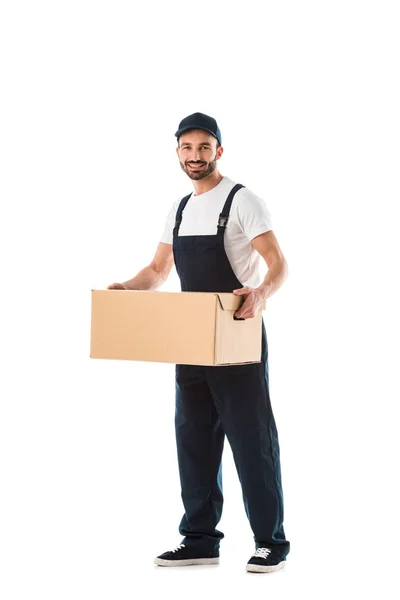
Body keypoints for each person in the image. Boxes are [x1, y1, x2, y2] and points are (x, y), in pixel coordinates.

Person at [107, 112, 290, 573]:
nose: (195, 156)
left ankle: (271, 542)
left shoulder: (243, 200)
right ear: (177, 153)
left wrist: (262, 294)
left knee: (252, 439)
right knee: (193, 438)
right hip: (189, 335)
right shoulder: (180, 208)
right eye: (187, 148)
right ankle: (200, 539)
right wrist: (126, 291)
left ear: (219, 151)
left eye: (204, 147)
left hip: (236, 329)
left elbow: (278, 263)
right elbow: (157, 270)